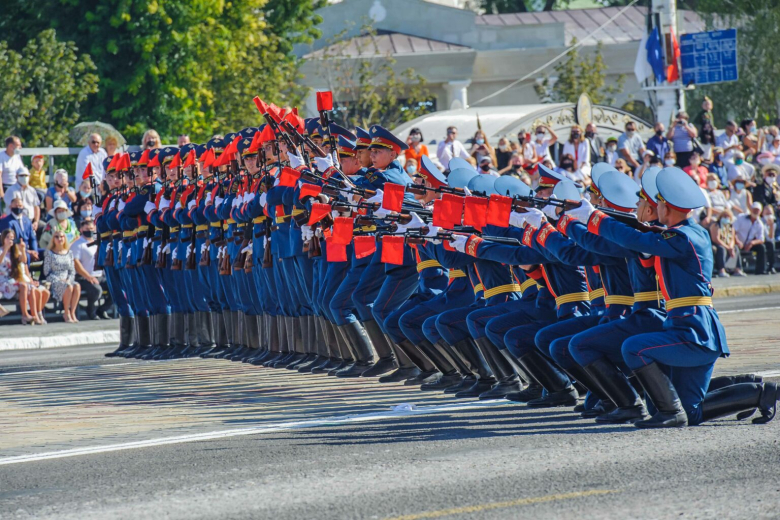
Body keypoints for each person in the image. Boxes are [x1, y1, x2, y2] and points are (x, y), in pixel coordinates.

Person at [71, 218, 111, 320]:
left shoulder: (98, 242)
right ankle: (91, 311)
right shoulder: (77, 244)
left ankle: (102, 310)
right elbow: (76, 263)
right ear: (81, 230)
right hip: (83, 277)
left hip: (99, 275)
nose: (90, 231)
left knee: (116, 288)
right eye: (87, 228)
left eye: (92, 228)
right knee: (96, 290)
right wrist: (88, 277)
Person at [44, 229, 81, 322]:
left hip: (67, 278)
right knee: (68, 286)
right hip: (55, 279)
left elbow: (72, 270)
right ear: (53, 239)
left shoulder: (69, 253)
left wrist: (69, 279)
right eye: (57, 237)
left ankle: (72, 312)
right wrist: (60, 280)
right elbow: (46, 272)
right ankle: (66, 312)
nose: (59, 238)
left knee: (76, 286)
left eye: (61, 236)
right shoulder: (49, 253)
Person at [9, 237, 48, 325]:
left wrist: (32, 281)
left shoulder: (21, 256)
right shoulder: (12, 257)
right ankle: (35, 315)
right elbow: (16, 275)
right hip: (19, 281)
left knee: (46, 292)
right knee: (34, 290)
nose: (20, 244)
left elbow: (26, 271)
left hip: (26, 280)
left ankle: (37, 312)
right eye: (18, 242)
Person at [0, 195, 39, 260]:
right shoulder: (6, 221)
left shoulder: (27, 221)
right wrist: (27, 251)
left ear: (23, 207)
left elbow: (32, 238)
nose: (18, 207)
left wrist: (35, 251)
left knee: (45, 253)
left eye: (20, 206)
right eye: (16, 206)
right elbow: (10, 239)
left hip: (28, 248)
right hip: (15, 249)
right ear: (11, 207)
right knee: (27, 256)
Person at [710, 208, 746, 278]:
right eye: (724, 216)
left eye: (728, 216)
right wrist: (727, 247)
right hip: (718, 244)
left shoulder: (731, 226)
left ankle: (737, 269)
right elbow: (716, 239)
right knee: (721, 249)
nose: (726, 218)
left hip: (727, 243)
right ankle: (721, 270)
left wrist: (730, 247)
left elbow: (732, 238)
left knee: (735, 248)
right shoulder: (716, 225)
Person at [734, 202, 768, 274]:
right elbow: (733, 231)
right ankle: (738, 269)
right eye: (754, 209)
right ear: (751, 209)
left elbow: (761, 239)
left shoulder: (760, 224)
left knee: (761, 247)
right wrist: (737, 241)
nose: (755, 211)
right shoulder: (741, 217)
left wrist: (752, 243)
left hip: (748, 244)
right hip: (737, 242)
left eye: (757, 210)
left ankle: (760, 271)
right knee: (735, 247)